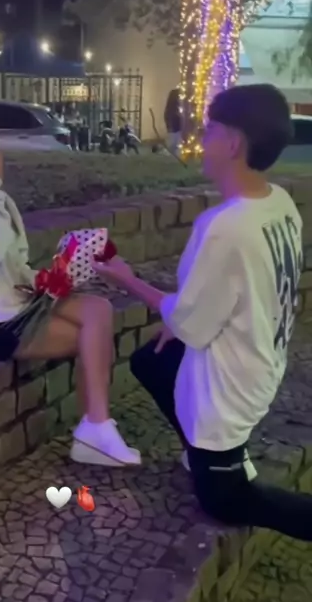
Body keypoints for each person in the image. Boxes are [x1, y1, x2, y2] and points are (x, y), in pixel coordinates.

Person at [92, 83, 312, 541]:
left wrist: (126, 279)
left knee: (225, 501)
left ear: (233, 143)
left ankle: (220, 457)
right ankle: (202, 452)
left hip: (231, 388)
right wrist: (180, 322)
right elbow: (232, 296)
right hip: (260, 359)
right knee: (151, 359)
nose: (202, 139)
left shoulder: (223, 228)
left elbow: (190, 325)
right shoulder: (278, 202)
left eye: (210, 130)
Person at [0, 111, 140, 467]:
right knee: (89, 338)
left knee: (99, 310)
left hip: (17, 298)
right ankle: (95, 431)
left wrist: (43, 279)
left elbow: (14, 259)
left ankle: (96, 427)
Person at [164, 87, 181, 154]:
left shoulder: (170, 108)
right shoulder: (174, 108)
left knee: (173, 143)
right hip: (175, 128)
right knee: (174, 143)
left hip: (174, 128)